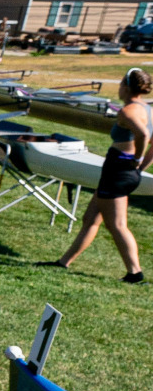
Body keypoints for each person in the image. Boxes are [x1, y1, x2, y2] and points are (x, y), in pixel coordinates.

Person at [57, 66, 149, 282]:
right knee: (91, 218)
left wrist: (136, 160)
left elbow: (143, 135)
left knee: (117, 225)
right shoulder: (148, 110)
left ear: (125, 86)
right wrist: (140, 167)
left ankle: (135, 273)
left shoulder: (127, 111)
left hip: (119, 170)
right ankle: (63, 262)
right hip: (124, 171)